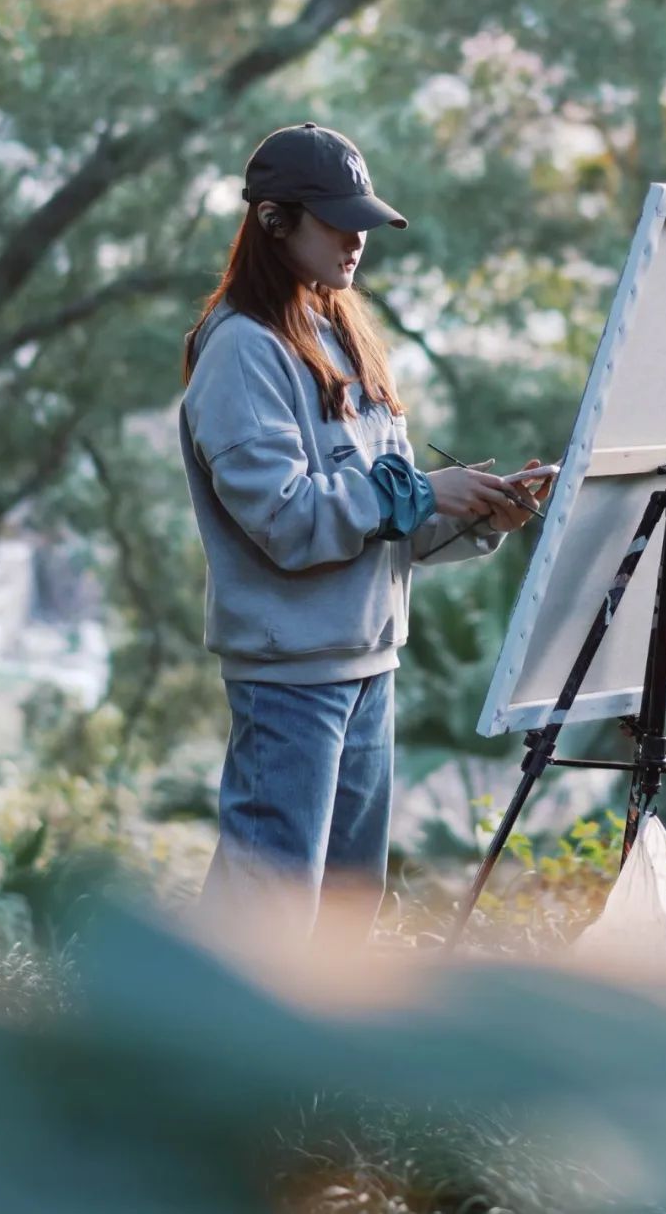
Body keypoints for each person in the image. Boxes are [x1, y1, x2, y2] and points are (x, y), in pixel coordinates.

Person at [179, 121, 552, 938]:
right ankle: (214, 1062)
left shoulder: (344, 336)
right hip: (290, 679)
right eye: (339, 220)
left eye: (365, 220)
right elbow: (286, 518)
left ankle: (318, 1069)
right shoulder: (242, 351)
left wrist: (480, 509)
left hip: (366, 666)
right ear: (275, 222)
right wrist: (418, 491)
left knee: (350, 906)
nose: (358, 239)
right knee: (269, 912)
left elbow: (385, 525)